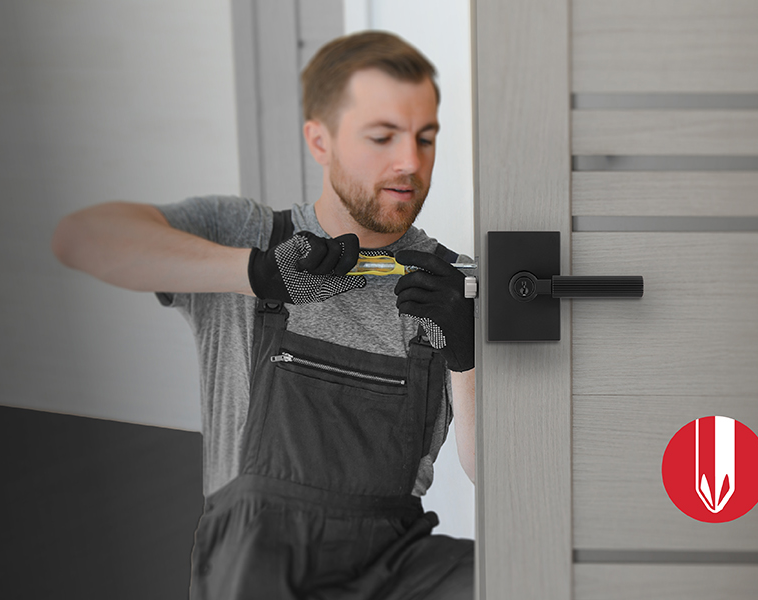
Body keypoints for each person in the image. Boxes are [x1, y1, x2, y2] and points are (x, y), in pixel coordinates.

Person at [52, 31, 475, 599]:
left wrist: (467, 355)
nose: (409, 162)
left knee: (532, 576)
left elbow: (498, 480)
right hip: (258, 566)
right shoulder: (246, 234)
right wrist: (256, 274)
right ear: (319, 141)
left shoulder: (453, 284)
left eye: (425, 139)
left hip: (397, 564)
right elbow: (80, 237)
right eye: (382, 137)